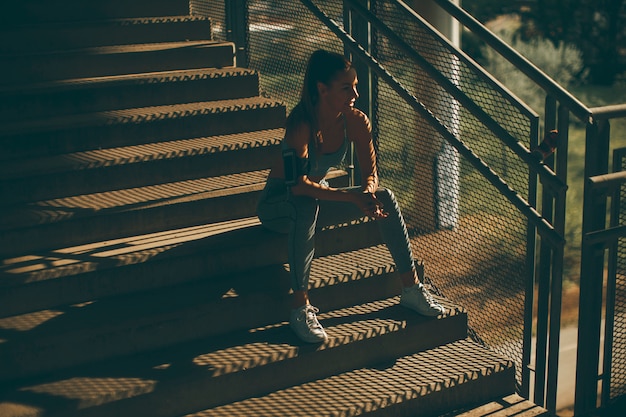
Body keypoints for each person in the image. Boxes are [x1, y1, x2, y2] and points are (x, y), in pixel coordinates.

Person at [257, 50, 444, 343]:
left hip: (316, 200)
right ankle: (299, 307)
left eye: (355, 86)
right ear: (322, 89)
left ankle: (411, 289)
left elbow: (371, 174)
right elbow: (298, 188)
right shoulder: (300, 124)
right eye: (347, 88)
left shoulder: (356, 121)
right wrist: (352, 199)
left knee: (387, 197)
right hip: (277, 207)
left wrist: (367, 192)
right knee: (305, 205)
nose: (355, 93)